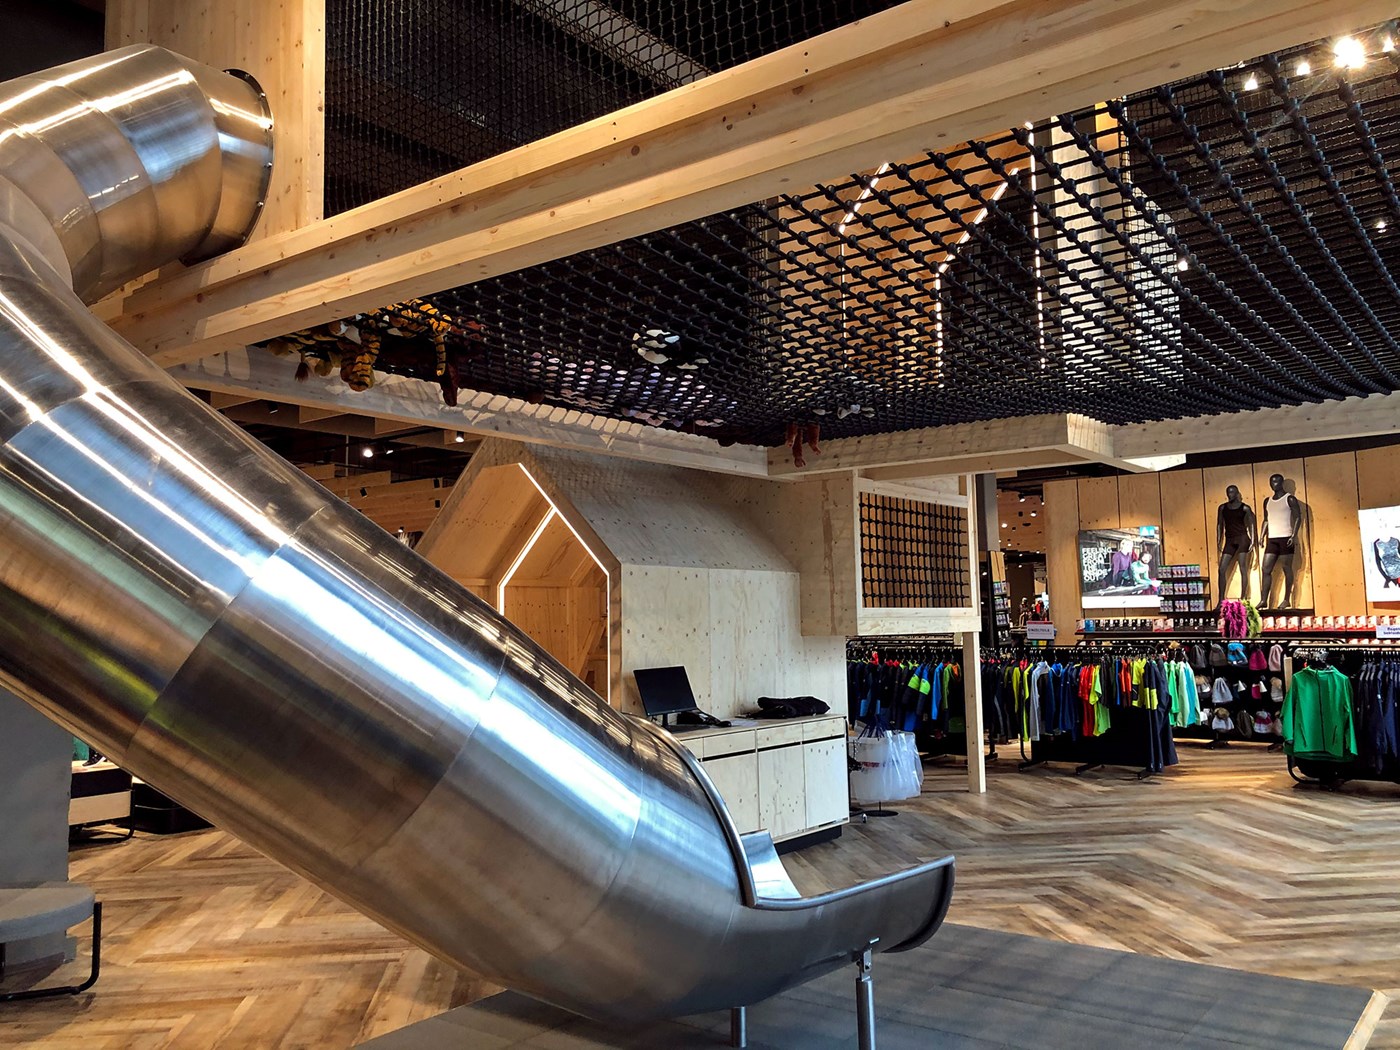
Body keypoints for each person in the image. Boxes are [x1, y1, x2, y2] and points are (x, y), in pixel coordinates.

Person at [1260, 473, 1303, 609]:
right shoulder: (1267, 501)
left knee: (1287, 568)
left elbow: (1298, 517)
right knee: (1265, 569)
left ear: (1282, 483)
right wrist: (1261, 535)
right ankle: (1263, 599)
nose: (1274, 484)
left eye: (1277, 482)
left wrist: (1293, 535)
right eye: (1272, 482)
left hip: (1286, 538)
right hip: (1272, 539)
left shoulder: (1289, 499)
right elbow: (1266, 520)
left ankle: (1286, 599)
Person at [1216, 485, 1257, 602]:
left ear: (1237, 493)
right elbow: (1219, 524)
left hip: (1242, 539)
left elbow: (1252, 524)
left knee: (1243, 568)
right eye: (1228, 492)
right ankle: (1221, 600)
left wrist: (1253, 540)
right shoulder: (1222, 508)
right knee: (1221, 569)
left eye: (1232, 492)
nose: (1230, 495)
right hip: (1229, 540)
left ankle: (1243, 599)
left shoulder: (1245, 508)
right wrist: (1219, 539)